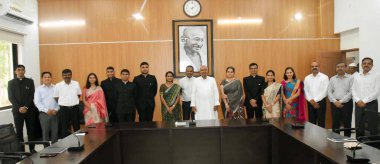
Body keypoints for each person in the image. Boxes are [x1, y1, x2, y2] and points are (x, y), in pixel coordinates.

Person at [7, 65, 37, 152]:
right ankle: (22, 151)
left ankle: (32, 149)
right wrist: (19, 107)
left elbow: (31, 95)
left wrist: (26, 106)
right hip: (17, 111)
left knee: (31, 130)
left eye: (22, 70)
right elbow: (11, 97)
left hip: (30, 110)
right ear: (15, 71)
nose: (21, 71)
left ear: (25, 71)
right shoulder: (11, 83)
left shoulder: (30, 81)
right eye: (19, 70)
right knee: (19, 131)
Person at [352, 57, 379, 137]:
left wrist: (364, 101)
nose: (366, 65)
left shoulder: (377, 76)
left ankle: (372, 146)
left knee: (372, 125)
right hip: (358, 104)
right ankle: (359, 143)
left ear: (372, 65)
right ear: (361, 65)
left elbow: (376, 91)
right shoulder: (357, 76)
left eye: (369, 63)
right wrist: (358, 100)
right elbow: (353, 89)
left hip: (371, 104)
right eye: (364, 63)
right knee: (359, 125)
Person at [327, 62, 353, 137]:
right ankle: (335, 139)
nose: (340, 68)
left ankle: (347, 140)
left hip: (347, 103)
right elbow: (329, 91)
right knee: (335, 123)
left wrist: (340, 101)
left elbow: (351, 92)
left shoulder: (350, 78)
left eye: (342, 66)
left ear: (346, 68)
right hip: (334, 103)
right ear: (336, 69)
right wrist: (335, 101)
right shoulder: (332, 78)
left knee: (347, 123)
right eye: (338, 67)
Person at [53, 69, 81, 138]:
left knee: (77, 127)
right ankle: (65, 146)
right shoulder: (58, 85)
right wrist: (64, 103)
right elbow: (56, 97)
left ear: (71, 75)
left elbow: (79, 95)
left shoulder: (76, 83)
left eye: (68, 75)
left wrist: (72, 102)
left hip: (74, 108)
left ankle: (80, 144)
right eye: (65, 75)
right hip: (64, 110)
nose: (67, 76)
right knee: (64, 128)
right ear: (62, 76)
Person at [34, 72, 59, 143]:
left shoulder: (56, 88)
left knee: (55, 133)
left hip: (55, 113)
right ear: (42, 79)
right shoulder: (38, 89)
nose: (47, 78)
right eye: (45, 77)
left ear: (51, 78)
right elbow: (37, 102)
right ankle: (46, 150)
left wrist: (56, 109)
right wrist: (46, 110)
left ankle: (55, 149)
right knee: (45, 133)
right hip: (44, 114)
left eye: (48, 77)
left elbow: (60, 100)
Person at [304, 62, 329, 128]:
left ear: (319, 67)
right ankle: (312, 138)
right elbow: (305, 91)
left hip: (321, 102)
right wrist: (311, 100)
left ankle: (321, 138)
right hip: (310, 103)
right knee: (311, 122)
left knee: (321, 122)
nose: (314, 67)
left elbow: (325, 91)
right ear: (310, 68)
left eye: (316, 66)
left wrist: (315, 100)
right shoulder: (307, 78)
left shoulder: (324, 77)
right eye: (312, 66)